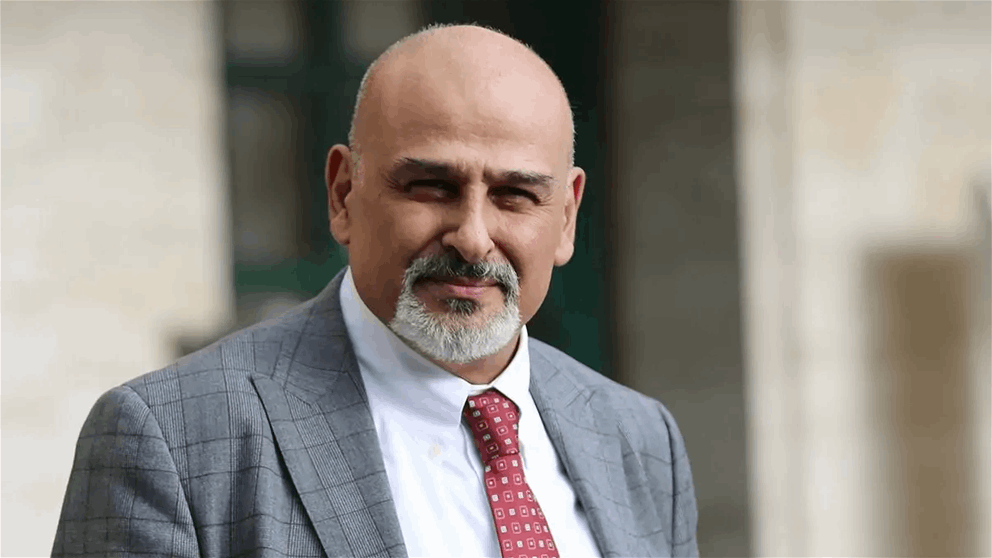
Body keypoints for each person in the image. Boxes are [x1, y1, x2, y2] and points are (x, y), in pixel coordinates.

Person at [52, 23, 698, 558]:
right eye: (431, 187)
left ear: (567, 218)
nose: (473, 238)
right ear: (343, 194)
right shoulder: (171, 440)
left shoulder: (640, 440)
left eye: (514, 195)